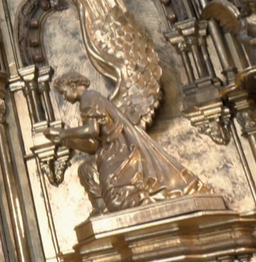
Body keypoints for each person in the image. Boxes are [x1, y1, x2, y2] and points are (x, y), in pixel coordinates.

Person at [49, 72, 208, 214]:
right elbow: (93, 145)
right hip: (109, 148)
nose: (64, 98)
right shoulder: (89, 99)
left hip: (121, 147)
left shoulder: (88, 98)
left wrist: (63, 133)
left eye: (64, 93)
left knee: (117, 198)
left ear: (73, 86)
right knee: (86, 169)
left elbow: (92, 130)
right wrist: (66, 139)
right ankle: (102, 209)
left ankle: (147, 203)